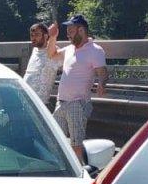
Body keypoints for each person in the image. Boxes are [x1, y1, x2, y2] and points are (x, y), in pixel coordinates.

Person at [51, 14, 107, 164]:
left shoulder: (95, 50)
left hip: (77, 103)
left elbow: (102, 72)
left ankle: (81, 171)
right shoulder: (69, 49)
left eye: (71, 30)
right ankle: (64, 170)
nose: (68, 33)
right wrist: (52, 37)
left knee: (76, 144)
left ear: (81, 30)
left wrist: (101, 84)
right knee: (55, 140)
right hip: (61, 102)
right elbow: (52, 54)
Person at [24, 21, 60, 108]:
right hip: (25, 100)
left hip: (41, 104)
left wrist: (53, 35)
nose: (33, 38)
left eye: (37, 35)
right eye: (32, 35)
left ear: (45, 36)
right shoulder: (35, 50)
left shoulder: (54, 52)